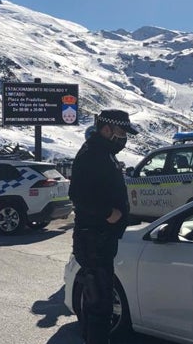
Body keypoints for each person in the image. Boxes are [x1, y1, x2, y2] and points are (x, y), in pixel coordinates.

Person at [68, 109, 138, 344]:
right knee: (99, 305)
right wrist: (108, 213)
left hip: (101, 239)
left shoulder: (104, 152)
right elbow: (78, 194)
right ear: (106, 129)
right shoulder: (93, 154)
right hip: (93, 239)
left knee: (98, 302)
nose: (124, 138)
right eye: (120, 131)